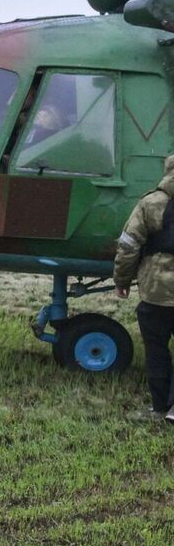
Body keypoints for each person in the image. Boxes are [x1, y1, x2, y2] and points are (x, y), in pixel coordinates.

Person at [114, 152, 174, 422]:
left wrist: (122, 281)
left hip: (155, 293)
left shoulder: (150, 203)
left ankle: (160, 408)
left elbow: (128, 246)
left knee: (157, 350)